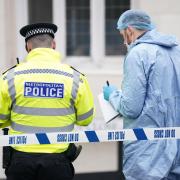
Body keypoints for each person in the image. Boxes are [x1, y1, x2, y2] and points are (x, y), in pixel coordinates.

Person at [0, 23, 94, 180]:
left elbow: (0, 119)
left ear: (27, 47)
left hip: (20, 161)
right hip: (57, 162)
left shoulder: (9, 77)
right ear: (54, 45)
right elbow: (85, 119)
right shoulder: (75, 78)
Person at [103, 9, 180, 180]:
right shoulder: (176, 51)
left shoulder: (138, 53)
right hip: (177, 147)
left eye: (123, 35)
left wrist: (112, 95)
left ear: (129, 30)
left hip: (148, 154)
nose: (124, 41)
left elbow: (131, 108)